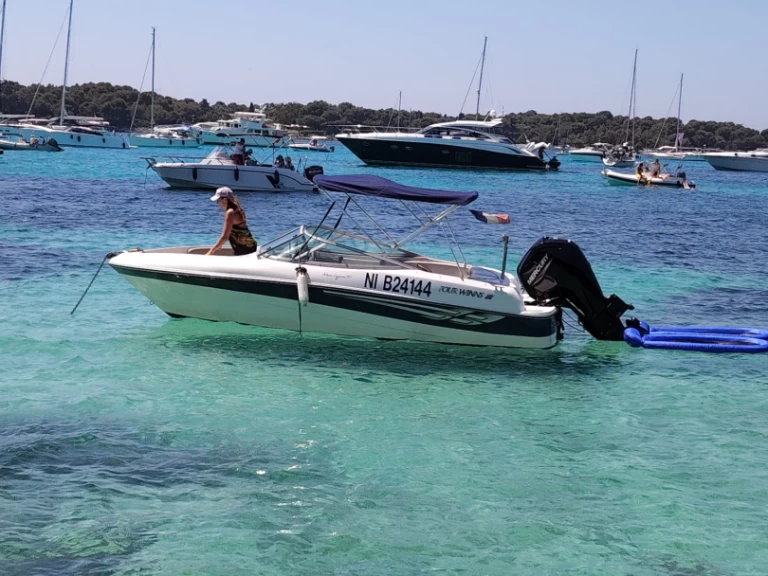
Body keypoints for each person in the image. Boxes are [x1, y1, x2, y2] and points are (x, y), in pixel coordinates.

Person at [206, 187, 258, 256]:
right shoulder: (237, 209)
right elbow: (233, 232)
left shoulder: (230, 212)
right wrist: (219, 244)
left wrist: (210, 252)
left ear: (224, 200)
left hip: (245, 250)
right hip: (249, 247)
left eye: (218, 200)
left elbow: (225, 236)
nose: (217, 203)